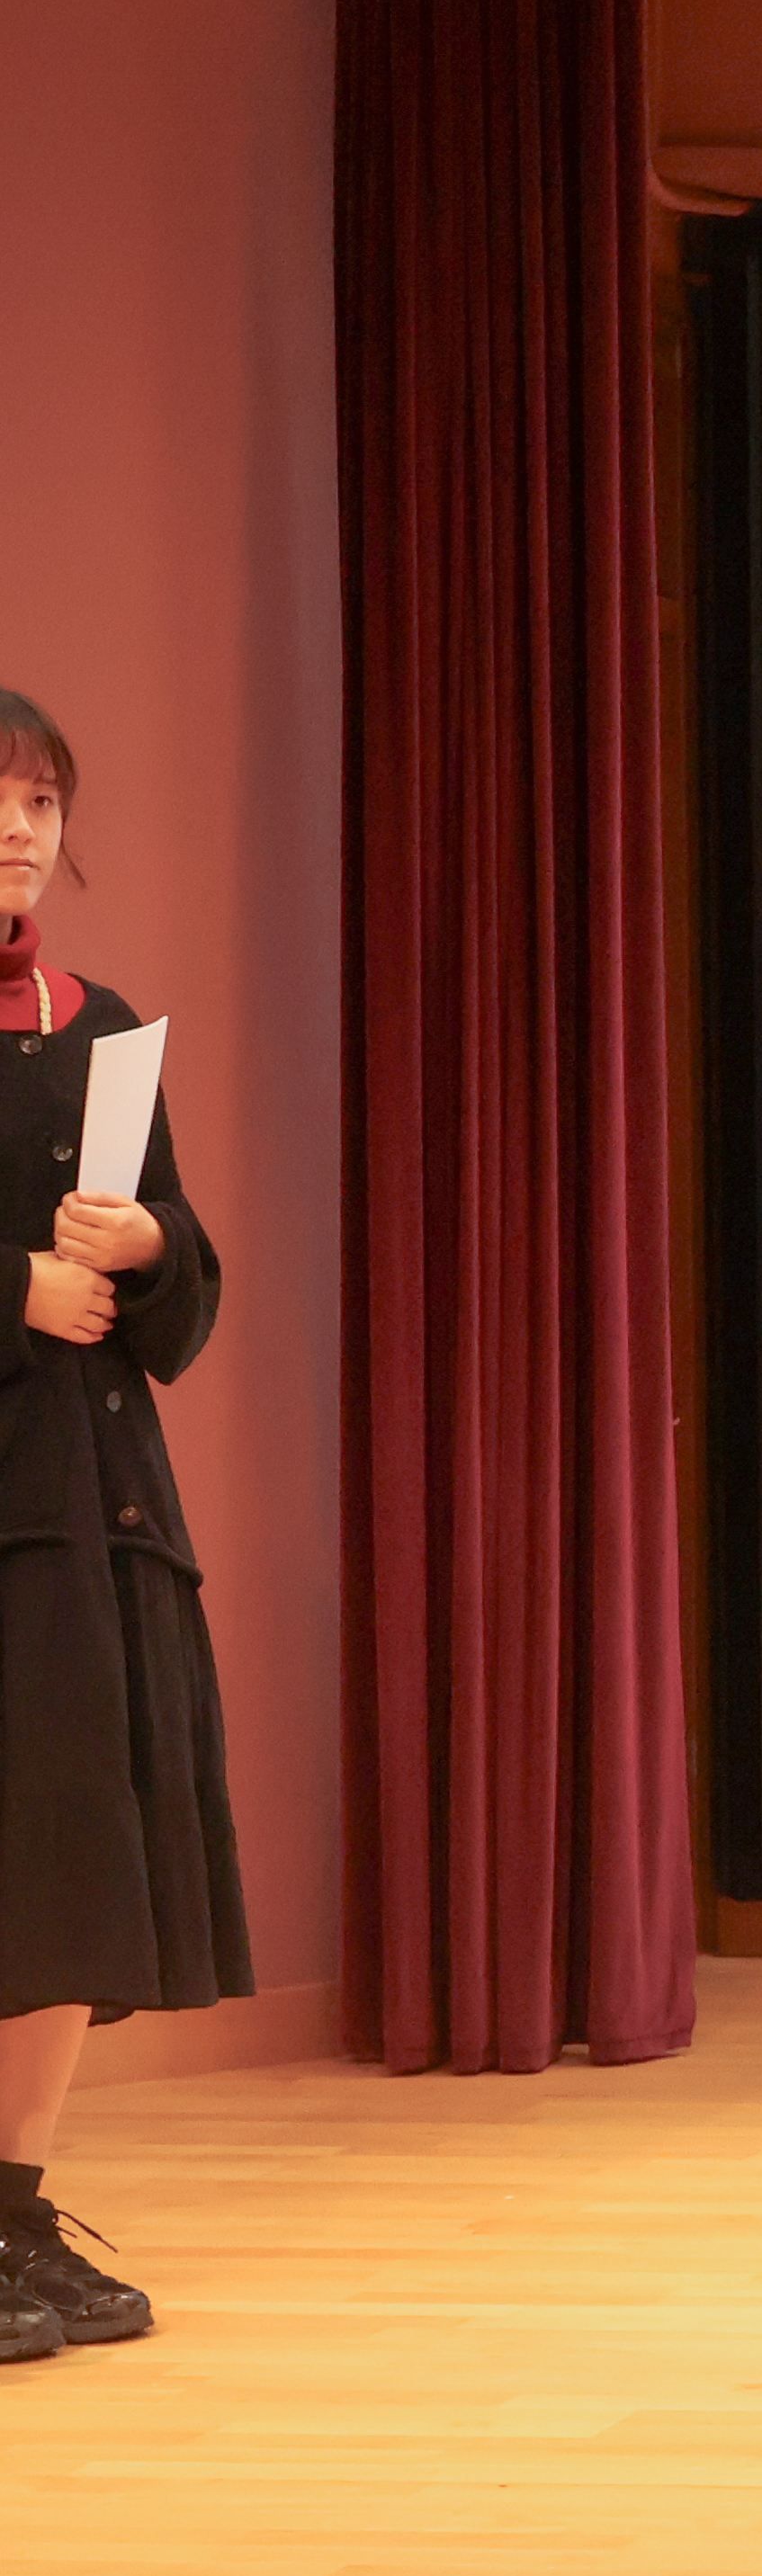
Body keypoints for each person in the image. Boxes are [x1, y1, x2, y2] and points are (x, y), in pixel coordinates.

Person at [0, 690, 240, 2368]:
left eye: (41, 800)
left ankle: (16, 2207)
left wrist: (148, 1248)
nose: (20, 828)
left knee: (73, 1861)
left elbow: (182, 1286)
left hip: (91, 1506)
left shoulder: (100, 1027)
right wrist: (12, 1284)